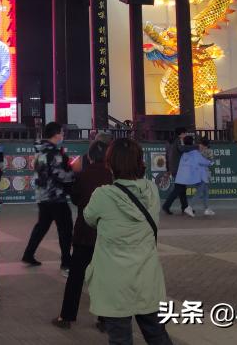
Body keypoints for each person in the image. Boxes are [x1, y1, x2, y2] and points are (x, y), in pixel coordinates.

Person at [84, 138, 172, 345]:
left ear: (110, 164)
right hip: (147, 277)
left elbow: (89, 218)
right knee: (156, 333)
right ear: (140, 162)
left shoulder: (102, 195)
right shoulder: (152, 190)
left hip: (113, 282)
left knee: (120, 339)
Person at [52, 138, 112, 330]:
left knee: (76, 277)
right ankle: (105, 320)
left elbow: (76, 199)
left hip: (85, 233)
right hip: (108, 234)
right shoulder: (114, 176)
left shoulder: (83, 176)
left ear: (89, 156)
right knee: (105, 277)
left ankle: (66, 317)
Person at [21, 122, 75, 274]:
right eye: (62, 132)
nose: (63, 135)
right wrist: (74, 174)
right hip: (56, 196)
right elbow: (61, 175)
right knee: (65, 229)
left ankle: (28, 254)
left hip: (42, 195)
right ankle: (66, 262)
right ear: (56, 134)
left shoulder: (40, 150)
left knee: (42, 226)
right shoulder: (54, 153)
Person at [173, 136, 209, 218]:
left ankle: (206, 208)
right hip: (194, 176)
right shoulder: (194, 152)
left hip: (184, 177)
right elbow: (202, 161)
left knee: (204, 189)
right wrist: (211, 162)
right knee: (201, 188)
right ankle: (190, 207)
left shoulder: (184, 153)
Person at [161, 127, 188, 215]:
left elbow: (168, 156)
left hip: (174, 168)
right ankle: (166, 206)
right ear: (181, 134)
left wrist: (169, 169)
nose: (186, 135)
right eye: (185, 133)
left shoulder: (171, 142)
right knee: (178, 189)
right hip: (178, 169)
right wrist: (192, 147)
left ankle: (185, 207)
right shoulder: (178, 141)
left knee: (182, 188)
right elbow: (182, 150)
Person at [195, 138, 215, 216]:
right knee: (201, 192)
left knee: (205, 191)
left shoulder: (196, 150)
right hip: (204, 173)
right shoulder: (208, 151)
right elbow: (212, 162)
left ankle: (206, 208)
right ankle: (190, 207)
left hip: (196, 173)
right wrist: (208, 163)